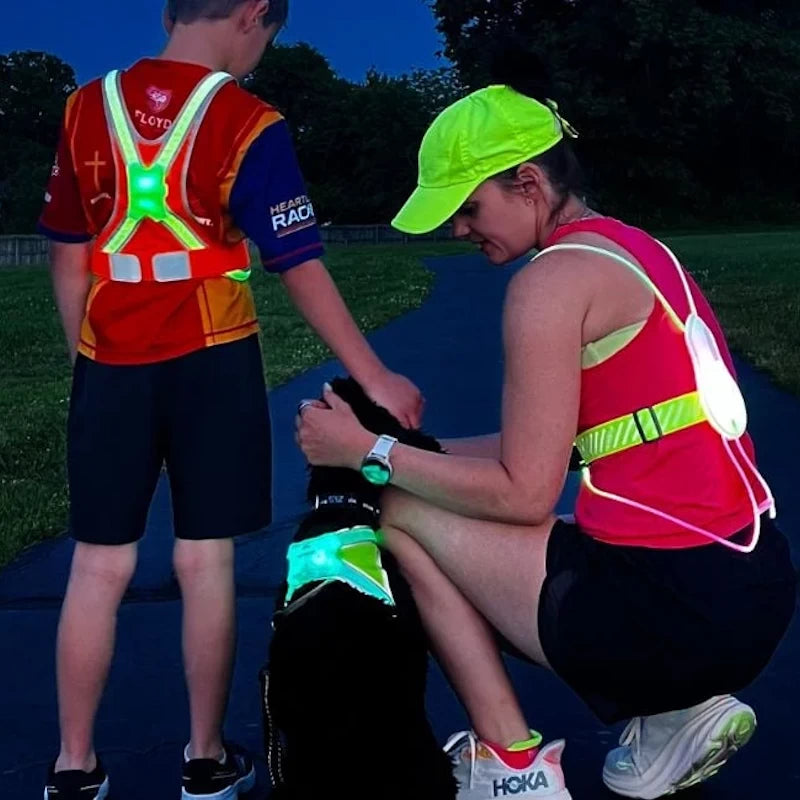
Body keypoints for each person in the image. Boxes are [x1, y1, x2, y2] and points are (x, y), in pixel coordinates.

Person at [295, 62, 797, 799]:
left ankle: (512, 767)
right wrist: (410, 451)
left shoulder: (547, 285)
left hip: (674, 617)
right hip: (751, 589)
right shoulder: (637, 251)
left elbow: (523, 495)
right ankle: (674, 717)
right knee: (428, 487)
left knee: (399, 514)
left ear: (527, 183)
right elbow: (563, 444)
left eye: (468, 208)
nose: (459, 229)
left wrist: (368, 456)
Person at [38, 2, 423, 799]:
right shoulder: (249, 120)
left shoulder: (85, 109)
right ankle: (205, 759)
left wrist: (92, 354)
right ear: (252, 14)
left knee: (99, 564)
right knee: (203, 557)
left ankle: (73, 767)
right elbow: (298, 262)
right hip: (213, 362)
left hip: (108, 363)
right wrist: (374, 375)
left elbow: (69, 258)